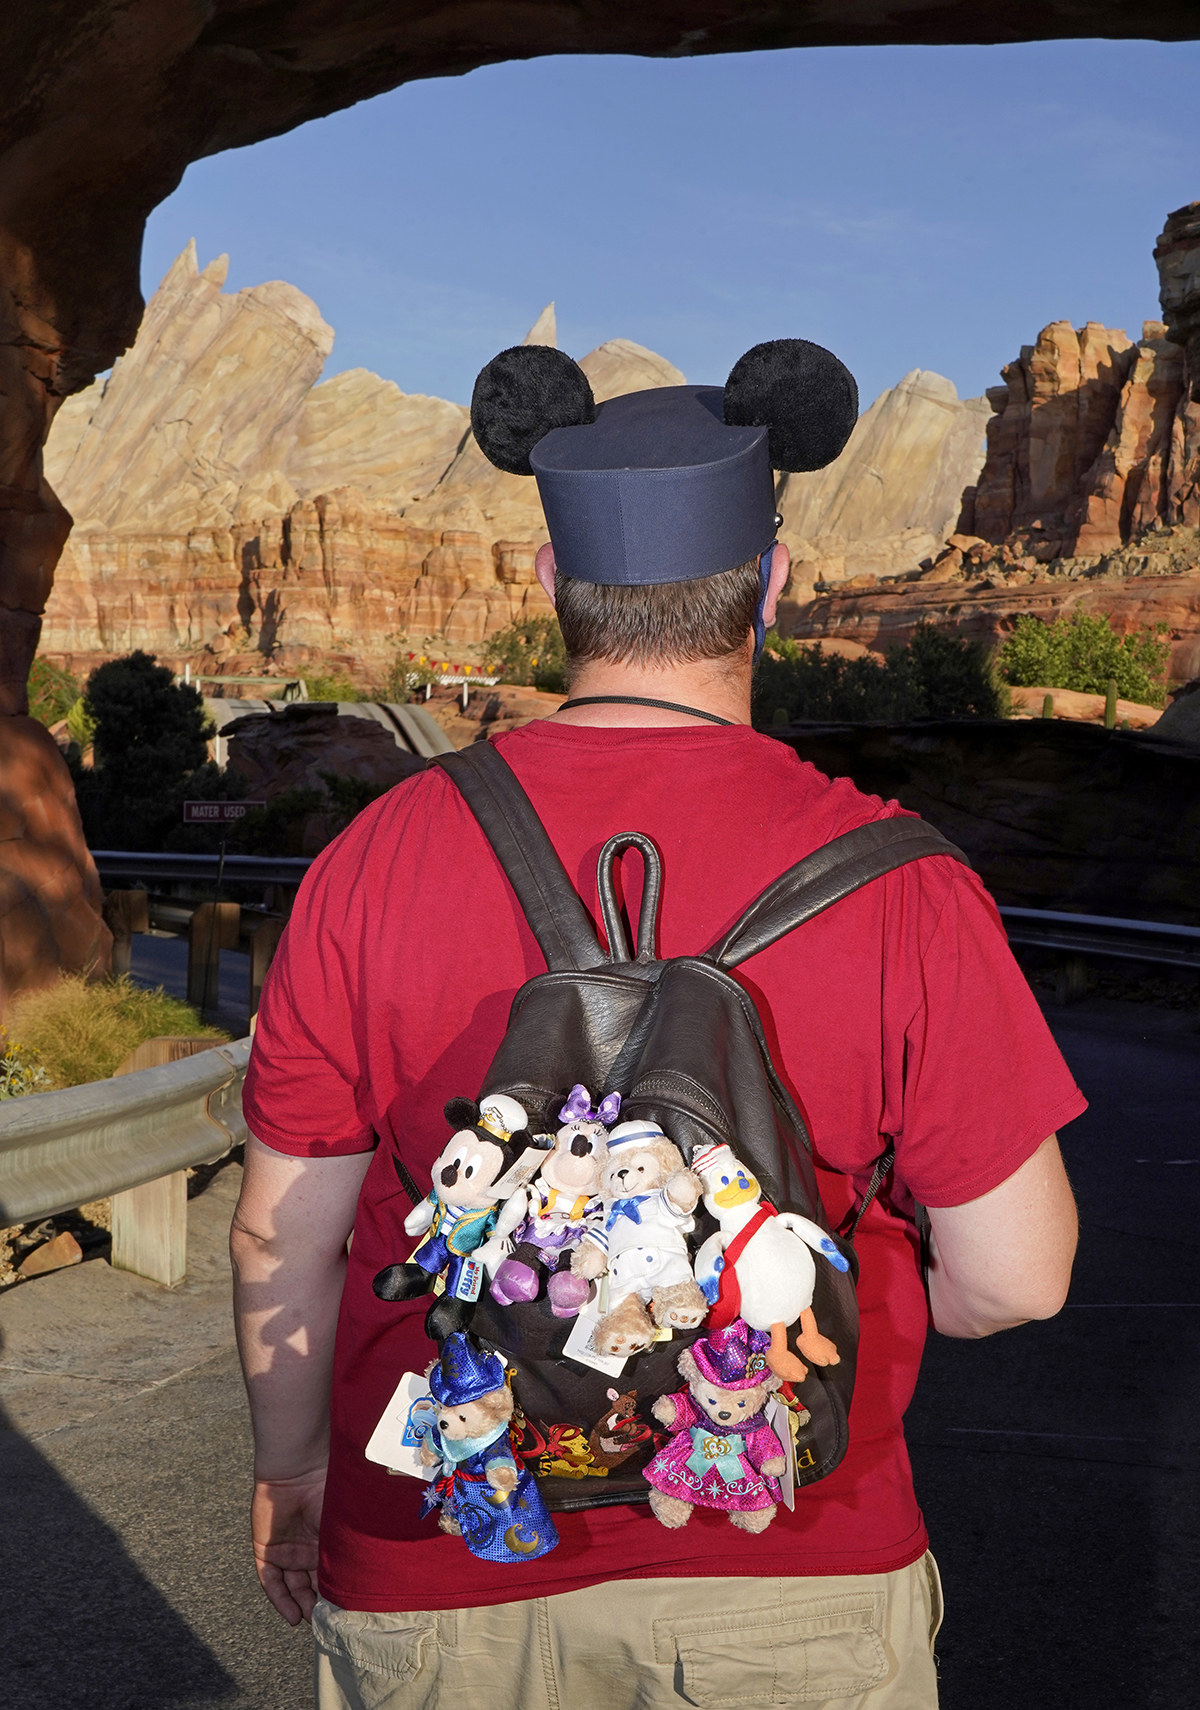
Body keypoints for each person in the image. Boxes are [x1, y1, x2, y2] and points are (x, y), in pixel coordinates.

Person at [232, 340, 1082, 1710]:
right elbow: (1018, 1277)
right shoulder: (906, 881)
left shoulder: (372, 861)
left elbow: (287, 1230)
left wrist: (294, 1463)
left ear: (551, 585)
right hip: (794, 1571)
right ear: (775, 583)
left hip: (446, 1564)